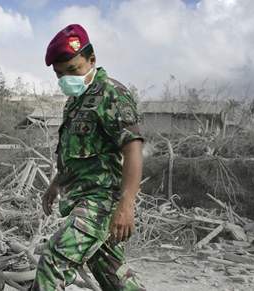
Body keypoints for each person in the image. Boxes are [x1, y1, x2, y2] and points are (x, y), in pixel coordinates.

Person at [31, 24, 146, 291]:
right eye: (60, 74)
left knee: (53, 259)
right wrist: (55, 185)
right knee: (113, 275)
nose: (67, 78)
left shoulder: (111, 93)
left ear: (91, 60)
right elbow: (74, 154)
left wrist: (126, 205)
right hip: (80, 199)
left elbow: (133, 149)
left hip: (101, 201)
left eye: (73, 70)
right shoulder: (74, 102)